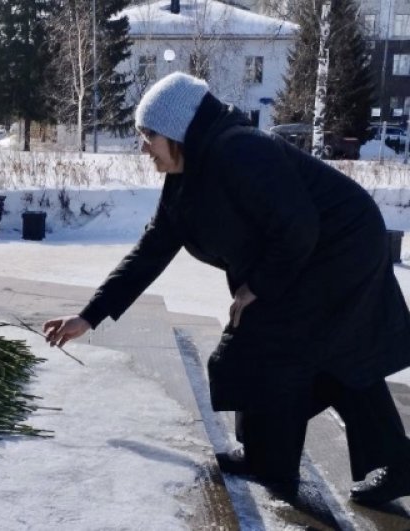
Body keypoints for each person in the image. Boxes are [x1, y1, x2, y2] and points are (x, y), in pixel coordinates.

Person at [43, 72, 410, 505]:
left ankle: (287, 463)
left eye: (149, 137)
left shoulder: (240, 151)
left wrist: (258, 286)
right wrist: (90, 315)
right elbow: (153, 248)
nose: (143, 148)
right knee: (317, 353)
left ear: (178, 132)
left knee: (299, 349)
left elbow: (298, 226)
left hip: (339, 250)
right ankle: (313, 461)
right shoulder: (187, 174)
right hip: (306, 256)